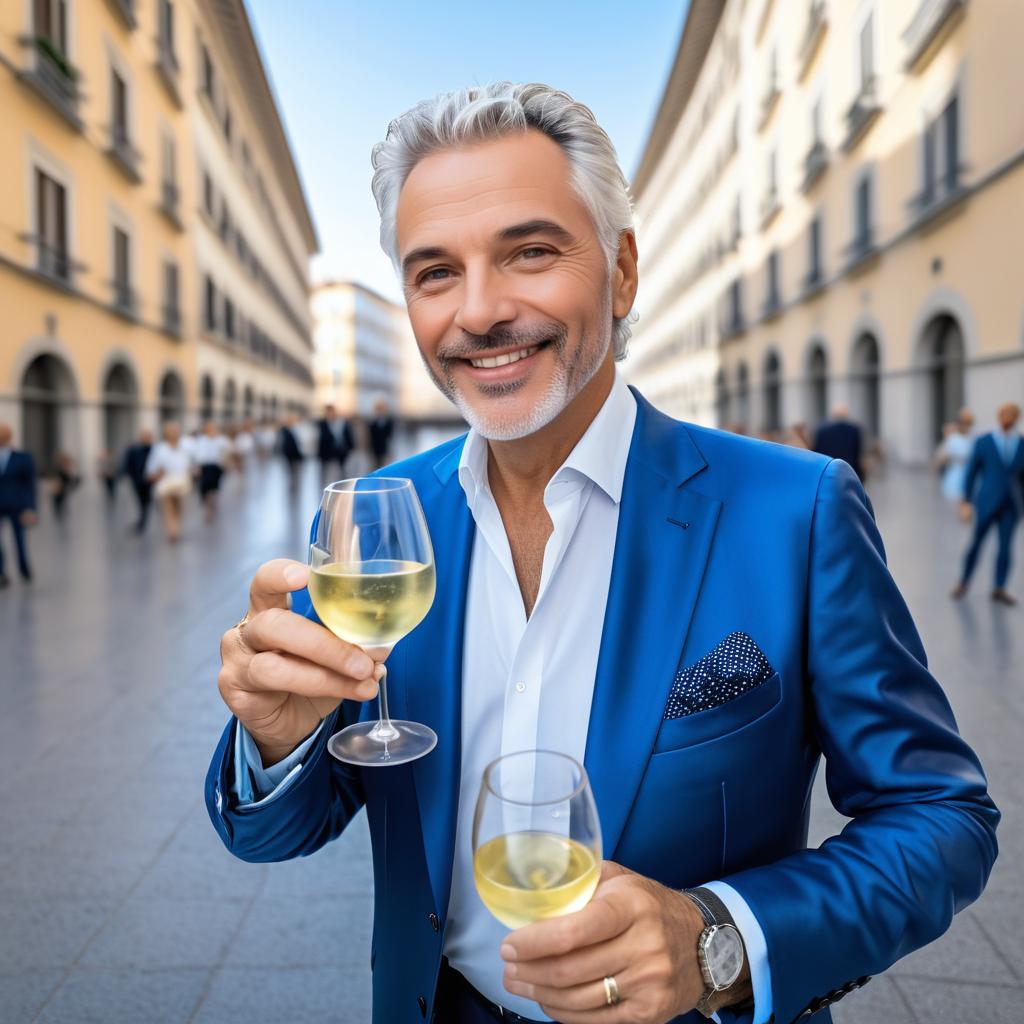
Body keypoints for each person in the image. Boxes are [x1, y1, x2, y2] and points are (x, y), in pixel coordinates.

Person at [205, 83, 997, 1024]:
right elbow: (279, 835)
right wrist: (279, 738)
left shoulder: (797, 509)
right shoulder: (381, 525)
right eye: (434, 272)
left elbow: (943, 820)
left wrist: (718, 939)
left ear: (622, 271)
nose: (481, 312)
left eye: (529, 252)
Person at [952, 401, 1024, 606]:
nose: (1008, 418)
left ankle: (999, 587)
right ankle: (964, 581)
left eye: (1012, 415)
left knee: (1005, 547)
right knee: (976, 543)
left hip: (1011, 505)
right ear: (999, 416)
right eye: (1005, 414)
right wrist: (965, 501)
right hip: (986, 501)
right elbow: (971, 473)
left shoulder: (1021, 443)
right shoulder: (984, 442)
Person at [0, 423, 37, 587]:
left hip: (16, 504)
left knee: (20, 539)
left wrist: (30, 508)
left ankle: (24, 568)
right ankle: (1, 572)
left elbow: (30, 485)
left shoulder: (22, 457)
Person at [145, 422, 193, 542]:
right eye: (170, 431)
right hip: (166, 482)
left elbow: (192, 462)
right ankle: (172, 531)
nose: (173, 433)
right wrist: (155, 474)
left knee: (179, 507)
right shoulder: (160, 448)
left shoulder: (186, 446)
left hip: (181, 481)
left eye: (175, 431)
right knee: (168, 507)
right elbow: (152, 467)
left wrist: (193, 471)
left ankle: (176, 527)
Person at [193, 421, 231, 524]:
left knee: (213, 488)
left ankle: (211, 507)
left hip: (216, 467)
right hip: (204, 467)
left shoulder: (221, 440)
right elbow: (197, 455)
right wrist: (196, 467)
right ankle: (207, 504)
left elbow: (227, 452)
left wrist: (226, 463)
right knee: (204, 487)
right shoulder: (201, 440)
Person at [812, 405, 864, 481]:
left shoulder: (823, 430)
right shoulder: (853, 430)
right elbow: (857, 451)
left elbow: (818, 450)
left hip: (828, 466)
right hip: (849, 467)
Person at [935, 408, 976, 503]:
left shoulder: (973, 438)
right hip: (955, 475)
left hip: (969, 473)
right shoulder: (953, 439)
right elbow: (942, 457)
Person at [121, 428, 155, 534]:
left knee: (147, 501)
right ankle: (142, 520)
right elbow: (127, 463)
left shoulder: (155, 449)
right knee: (141, 502)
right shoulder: (133, 449)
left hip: (150, 481)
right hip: (137, 480)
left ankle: (142, 521)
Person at [316, 404, 353, 479]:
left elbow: (347, 436)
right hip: (327, 454)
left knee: (342, 473)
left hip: (341, 452)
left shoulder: (342, 422)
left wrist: (349, 448)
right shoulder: (321, 424)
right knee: (327, 474)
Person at [51, 451, 81, 520]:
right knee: (58, 501)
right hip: (59, 487)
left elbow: (70, 478)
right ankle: (59, 513)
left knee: (61, 500)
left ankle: (60, 513)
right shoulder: (58, 467)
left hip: (62, 487)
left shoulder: (65, 467)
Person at [277, 414, 303, 491]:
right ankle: (292, 484)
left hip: (296, 455)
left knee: (296, 470)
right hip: (290, 454)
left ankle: (295, 483)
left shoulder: (296, 429)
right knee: (291, 470)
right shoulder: (285, 431)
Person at [369, 398, 396, 470]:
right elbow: (371, 435)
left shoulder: (389, 421)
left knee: (385, 465)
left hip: (385, 446)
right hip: (375, 447)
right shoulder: (372, 422)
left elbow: (390, 435)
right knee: (376, 464)